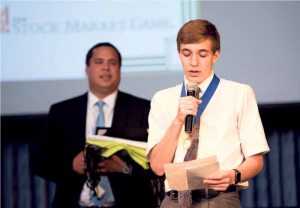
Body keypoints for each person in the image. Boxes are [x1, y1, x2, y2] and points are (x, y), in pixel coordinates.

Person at [146, 19, 270, 208]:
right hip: (174, 200)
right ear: (179, 54)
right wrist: (179, 119)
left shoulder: (239, 93)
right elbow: (157, 166)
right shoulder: (162, 98)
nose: (193, 62)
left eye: (202, 54)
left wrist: (233, 175)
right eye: (186, 54)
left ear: (216, 55)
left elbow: (256, 158)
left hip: (219, 198)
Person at [31, 42, 158, 208]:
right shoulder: (62, 112)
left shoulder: (143, 109)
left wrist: (126, 168)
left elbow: (160, 164)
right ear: (87, 69)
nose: (106, 68)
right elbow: (39, 162)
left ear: (119, 70)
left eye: (112, 63)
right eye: (99, 62)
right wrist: (71, 165)